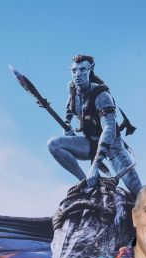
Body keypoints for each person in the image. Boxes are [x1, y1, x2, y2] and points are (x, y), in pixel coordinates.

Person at [48, 54, 141, 196]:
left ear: (90, 69)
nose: (77, 74)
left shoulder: (101, 94)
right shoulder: (72, 91)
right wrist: (67, 127)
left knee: (140, 193)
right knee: (54, 145)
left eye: (82, 70)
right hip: (90, 144)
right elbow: (69, 111)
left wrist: (95, 165)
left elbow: (109, 129)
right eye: (74, 70)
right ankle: (86, 183)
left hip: (113, 147)